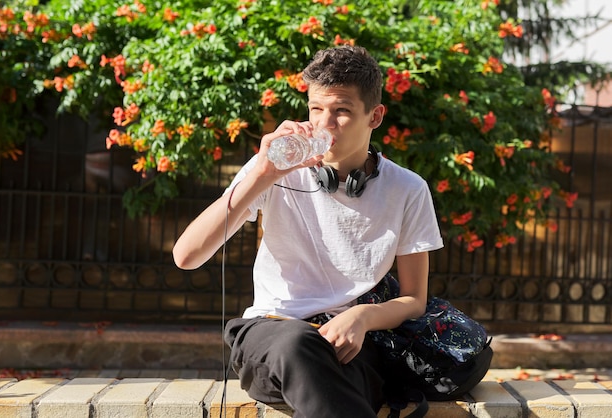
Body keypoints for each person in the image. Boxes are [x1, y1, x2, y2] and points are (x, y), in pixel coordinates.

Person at [173, 45, 444, 418]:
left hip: (351, 342)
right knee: (301, 345)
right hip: (270, 335)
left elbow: (415, 300)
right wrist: (263, 176)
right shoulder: (269, 169)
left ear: (375, 116)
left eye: (342, 111)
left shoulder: (408, 189)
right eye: (316, 109)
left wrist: (362, 316)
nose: (325, 124)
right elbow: (186, 256)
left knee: (333, 373)